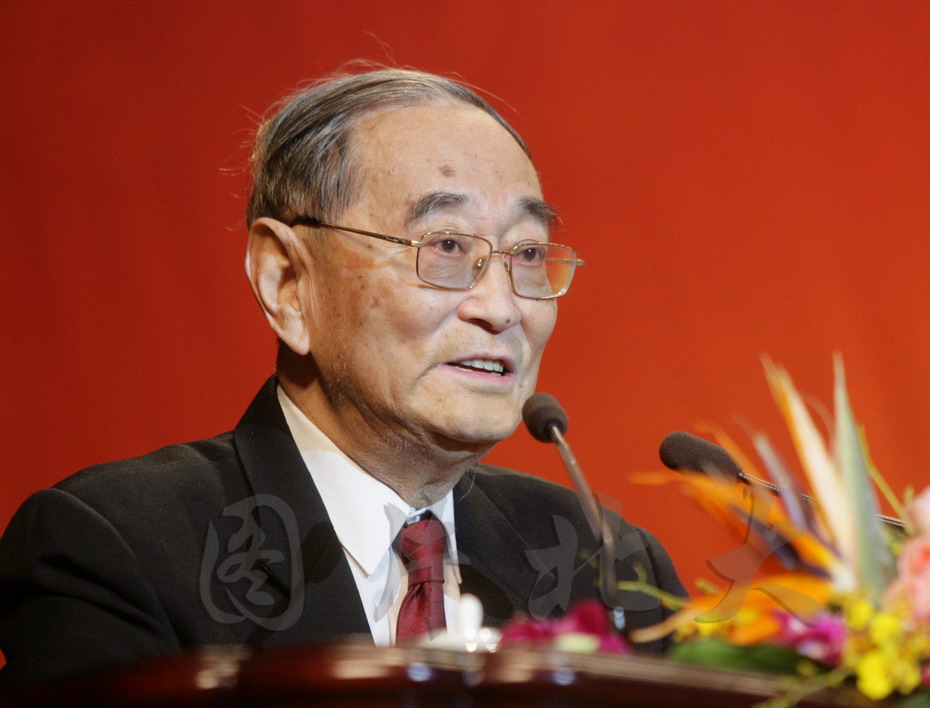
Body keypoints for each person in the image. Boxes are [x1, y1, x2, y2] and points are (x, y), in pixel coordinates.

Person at [0, 67, 684, 684]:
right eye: (446, 245)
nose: (502, 309)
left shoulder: (609, 566)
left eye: (528, 253)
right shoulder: (119, 548)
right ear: (288, 282)